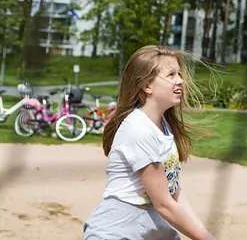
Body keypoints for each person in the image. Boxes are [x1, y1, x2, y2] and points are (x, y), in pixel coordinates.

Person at [83, 45, 216, 240]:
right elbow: (163, 203)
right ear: (147, 85)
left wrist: (206, 235)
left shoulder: (162, 125)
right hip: (118, 231)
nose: (180, 81)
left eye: (179, 74)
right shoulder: (139, 129)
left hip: (152, 230)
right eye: (170, 75)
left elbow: (173, 191)